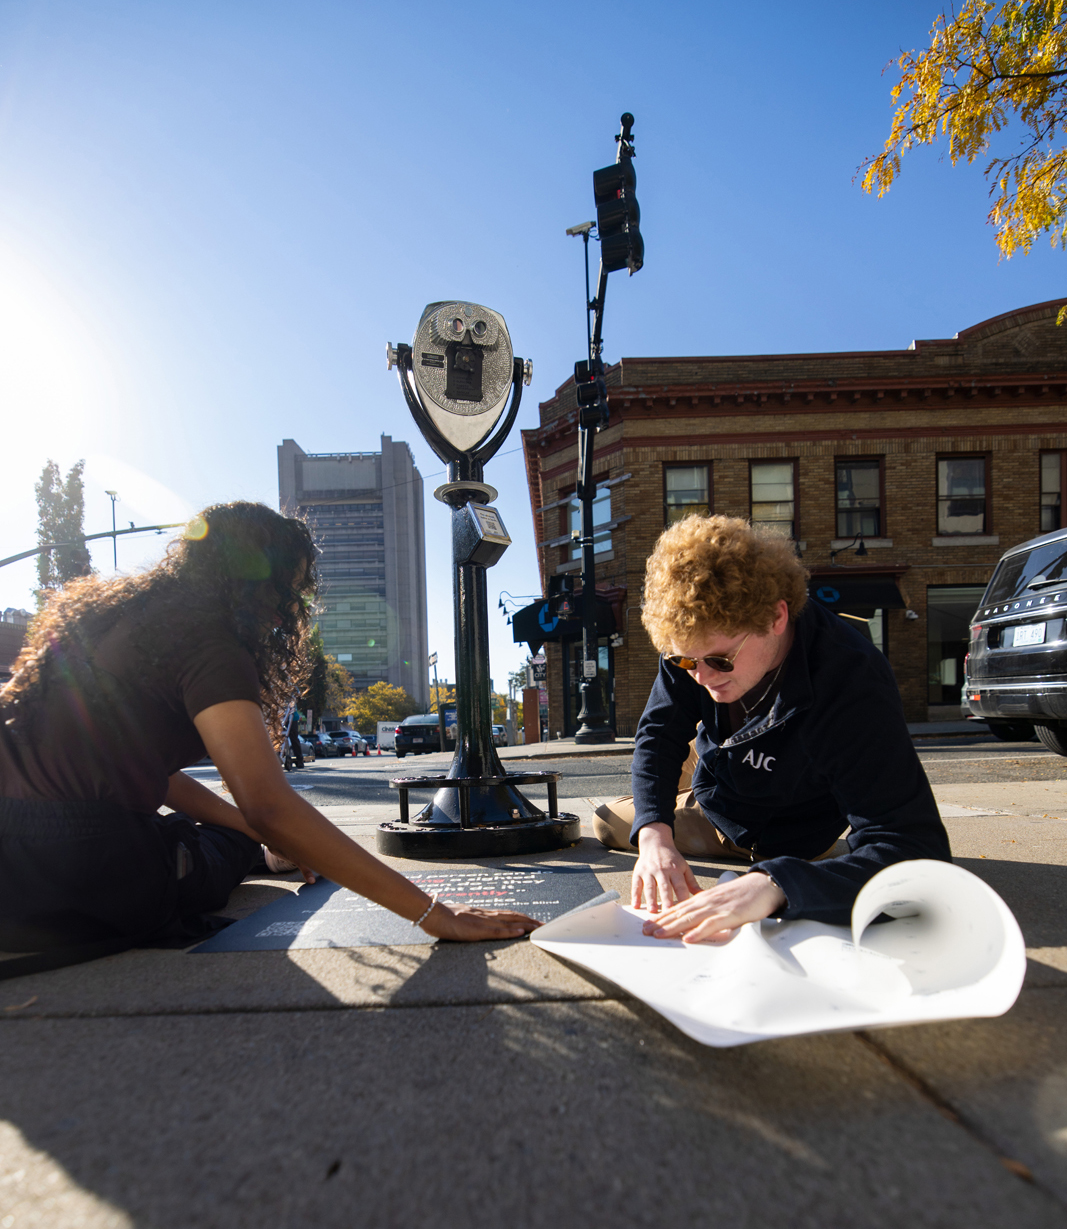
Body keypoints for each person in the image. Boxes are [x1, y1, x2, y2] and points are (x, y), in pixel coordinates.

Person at [0, 502, 538, 952]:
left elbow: (148, 776)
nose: (289, 613)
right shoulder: (209, 644)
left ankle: (264, 851)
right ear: (256, 581)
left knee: (226, 831)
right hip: (78, 870)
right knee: (218, 849)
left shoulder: (120, 618)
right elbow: (270, 806)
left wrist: (258, 828)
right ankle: (261, 856)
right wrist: (435, 915)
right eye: (291, 591)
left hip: (12, 865)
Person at [593, 514, 951, 945]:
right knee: (643, 816)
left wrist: (776, 884)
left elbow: (915, 851)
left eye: (721, 660)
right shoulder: (693, 647)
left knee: (607, 824)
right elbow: (659, 733)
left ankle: (699, 803)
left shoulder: (851, 682)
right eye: (686, 662)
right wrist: (654, 834)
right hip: (720, 751)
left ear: (776, 617)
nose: (702, 677)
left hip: (778, 814)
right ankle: (682, 789)